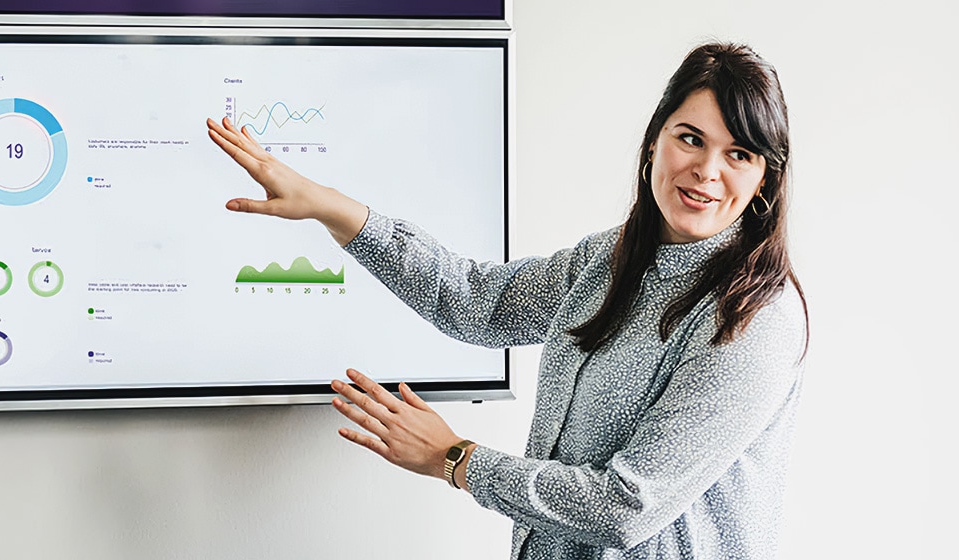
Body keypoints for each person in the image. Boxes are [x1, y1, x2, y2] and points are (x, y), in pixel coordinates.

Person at [206, 41, 808, 560]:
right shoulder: (609, 259)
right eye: (690, 138)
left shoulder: (755, 321)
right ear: (654, 143)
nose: (706, 170)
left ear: (763, 181)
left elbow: (627, 506)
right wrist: (333, 209)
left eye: (738, 154)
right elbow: (477, 303)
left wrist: (455, 457)